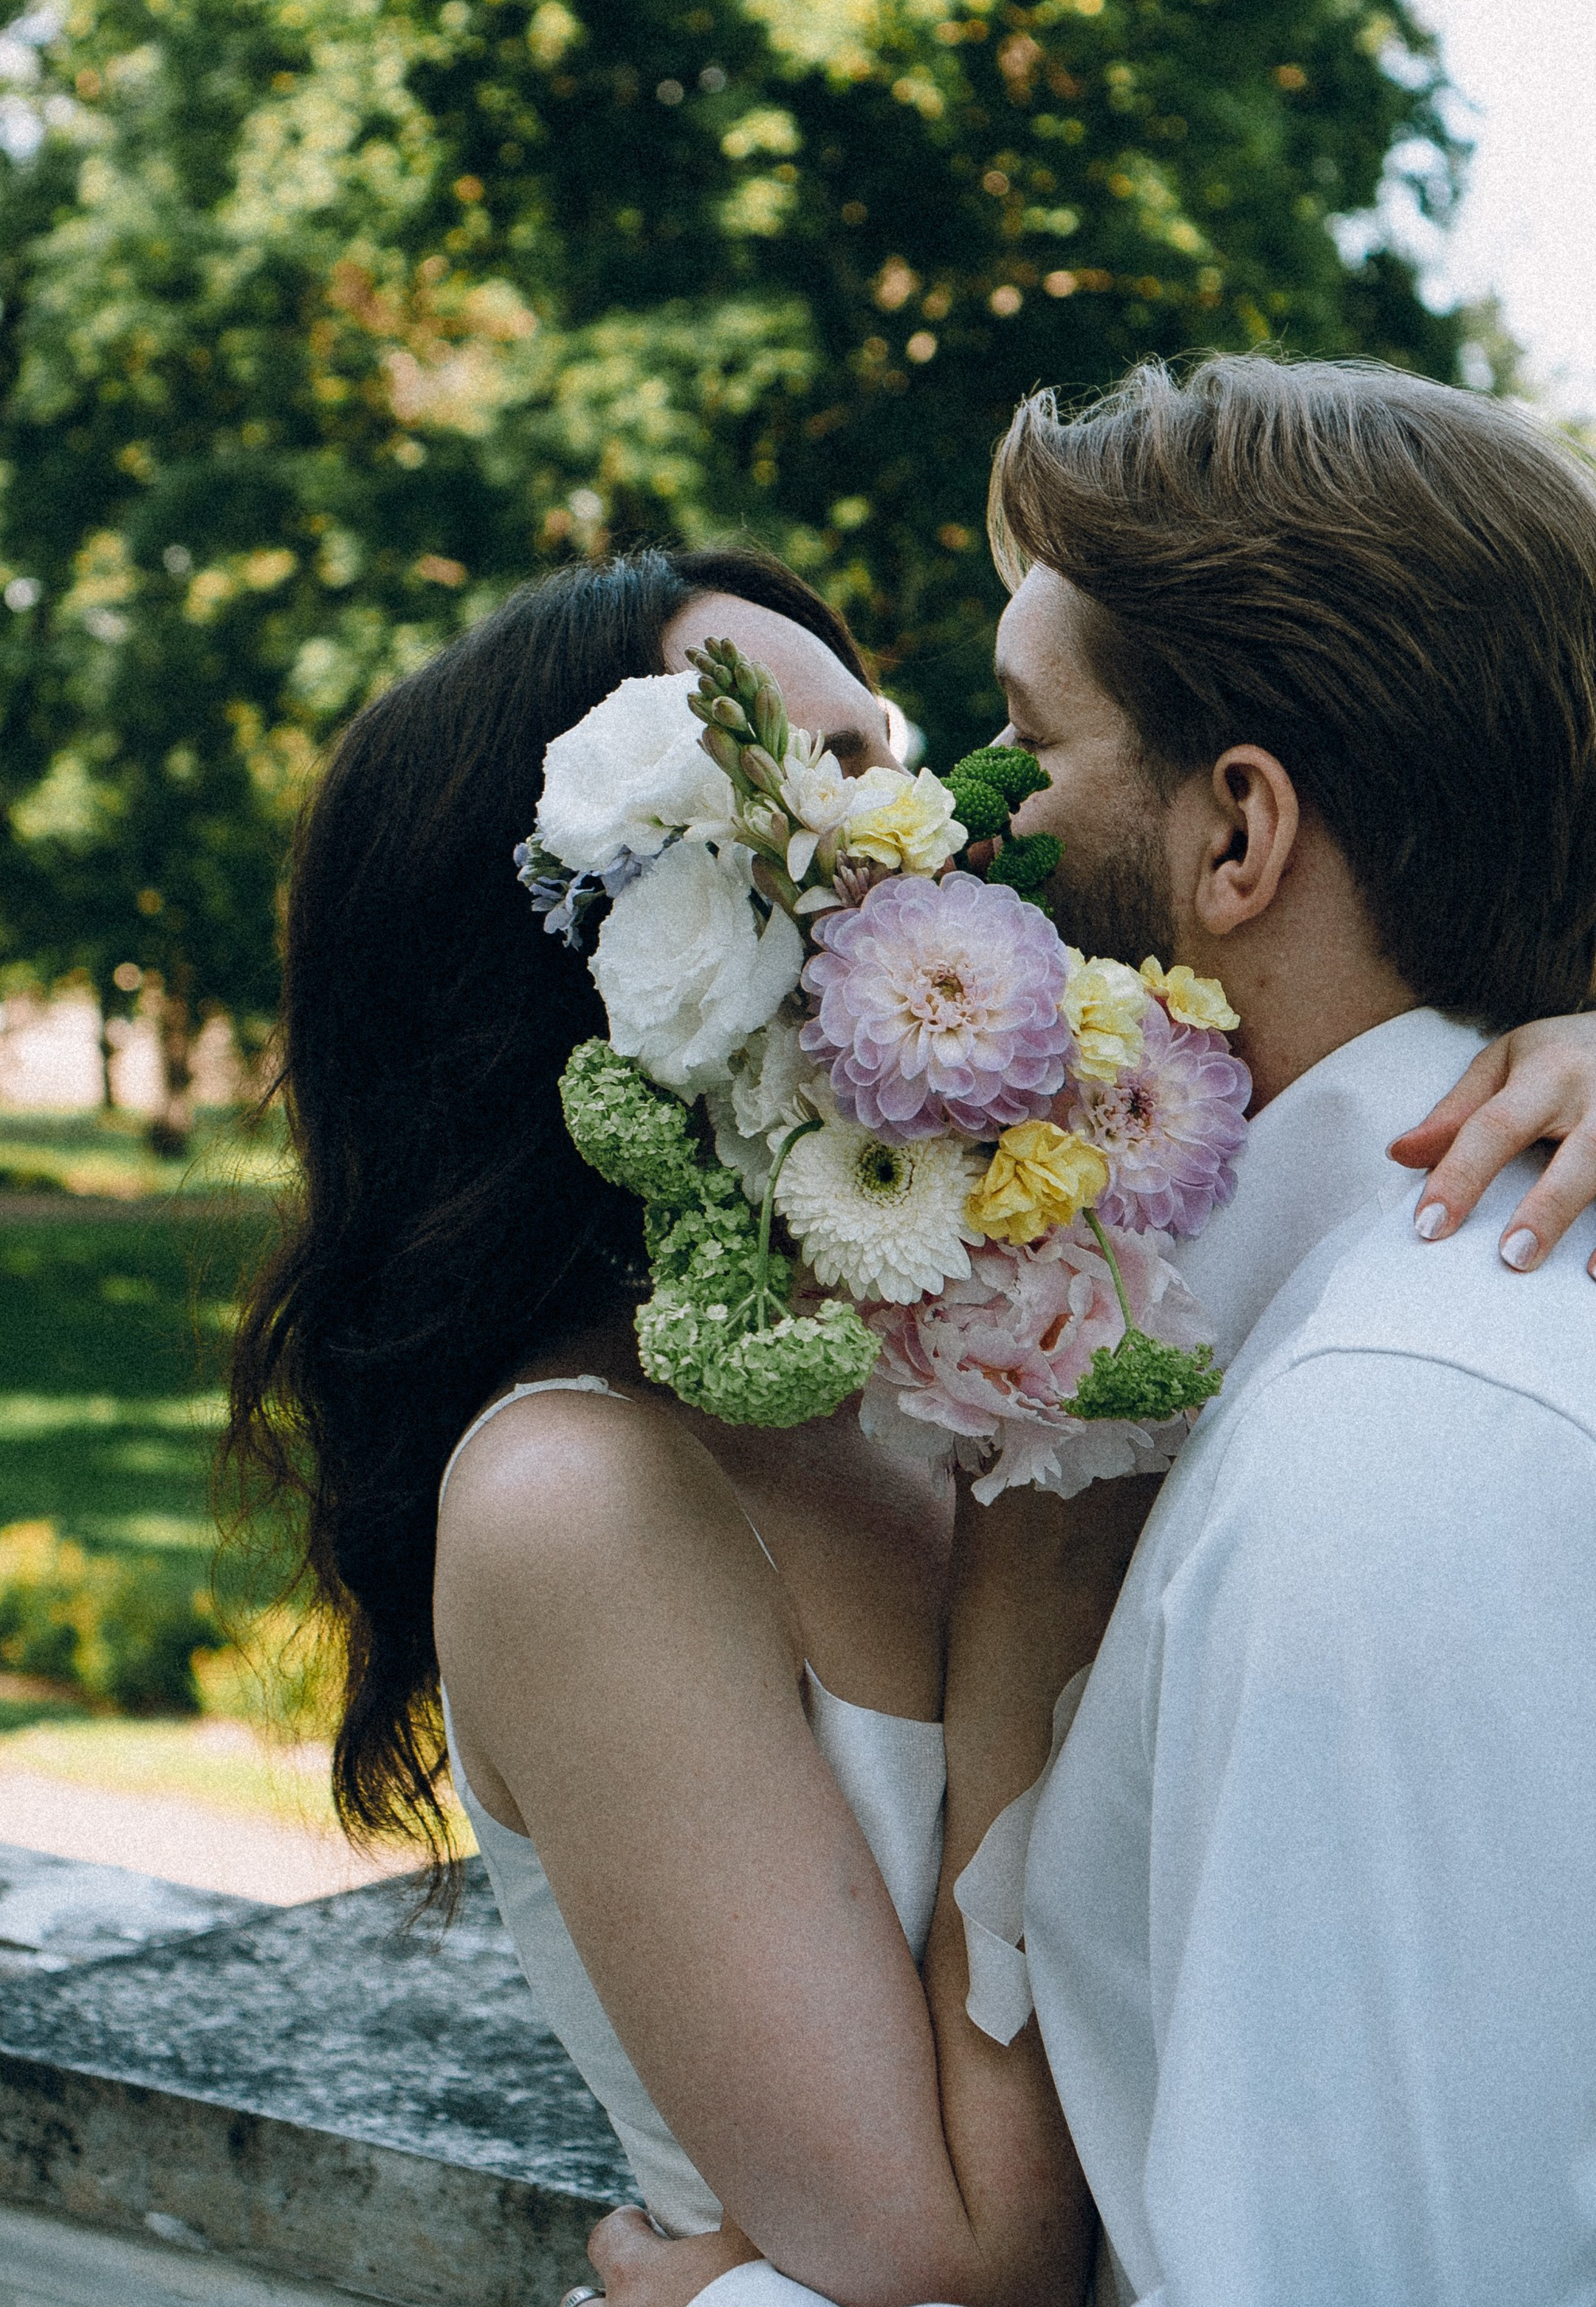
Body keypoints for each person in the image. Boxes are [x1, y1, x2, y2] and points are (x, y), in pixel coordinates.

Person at [222, 517, 1596, 2307]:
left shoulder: (968, 1316)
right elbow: (958, 2264)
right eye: (831, 778)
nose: (938, 824)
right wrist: (1025, 1584)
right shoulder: (578, 1494)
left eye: (894, 749)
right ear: (614, 930)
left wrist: (1561, 1032)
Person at [590, 355, 1596, 2307]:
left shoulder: (1388, 1456)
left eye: (1025, 751)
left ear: (1238, 838)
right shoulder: (1312, 1348)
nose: (957, 838)